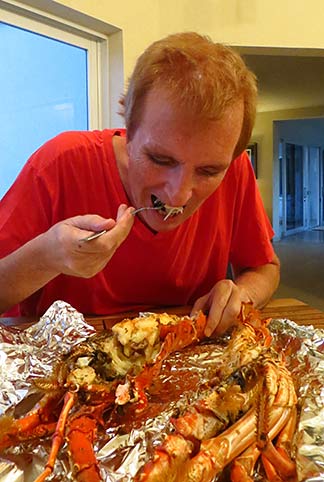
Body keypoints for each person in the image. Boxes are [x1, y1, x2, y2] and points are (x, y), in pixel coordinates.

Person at [0, 31, 280, 336]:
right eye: (161, 160)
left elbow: (265, 267)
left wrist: (242, 294)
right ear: (128, 129)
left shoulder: (236, 170)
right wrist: (48, 256)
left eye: (208, 171)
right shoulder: (58, 164)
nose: (179, 194)